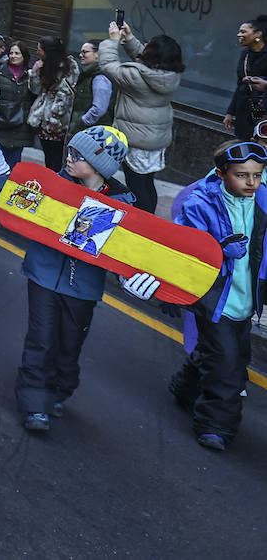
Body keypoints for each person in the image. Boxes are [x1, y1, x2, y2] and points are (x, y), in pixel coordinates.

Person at [14, 126, 150, 433]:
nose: (70, 157)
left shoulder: (123, 202)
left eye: (80, 155)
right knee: (41, 338)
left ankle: (59, 388)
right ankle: (35, 402)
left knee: (69, 343)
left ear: (100, 164)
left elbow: (123, 251)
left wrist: (130, 276)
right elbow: (21, 201)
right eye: (71, 151)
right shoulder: (55, 184)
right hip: (43, 275)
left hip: (84, 287)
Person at [168, 139, 267, 451]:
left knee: (230, 354)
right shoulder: (199, 203)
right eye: (242, 175)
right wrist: (219, 251)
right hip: (214, 298)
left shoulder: (262, 201)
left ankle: (185, 390)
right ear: (221, 173)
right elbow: (186, 248)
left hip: (245, 300)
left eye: (257, 175)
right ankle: (215, 426)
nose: (251, 182)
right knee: (228, 368)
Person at [100, 23, 183, 214]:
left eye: (149, 44)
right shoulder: (169, 74)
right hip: (155, 139)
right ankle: (149, 219)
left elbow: (108, 65)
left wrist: (112, 41)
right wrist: (129, 38)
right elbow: (146, 65)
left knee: (136, 187)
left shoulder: (136, 77)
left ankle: (141, 225)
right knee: (147, 183)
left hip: (136, 140)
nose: (144, 44)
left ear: (152, 54)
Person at [0, 40, 35, 184]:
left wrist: (26, 114)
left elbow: (35, 97)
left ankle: (7, 192)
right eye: (11, 53)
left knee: (13, 163)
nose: (13, 56)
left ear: (24, 55)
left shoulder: (31, 75)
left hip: (18, 127)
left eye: (17, 53)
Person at [29, 36, 78, 171]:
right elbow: (36, 90)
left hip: (57, 123)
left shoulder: (68, 67)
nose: (38, 52)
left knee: (56, 160)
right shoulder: (44, 65)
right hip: (43, 121)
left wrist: (53, 118)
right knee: (48, 159)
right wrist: (34, 72)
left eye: (40, 50)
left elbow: (66, 97)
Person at [224, 16, 267, 140]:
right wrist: (230, 112)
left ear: (258, 34)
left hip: (262, 109)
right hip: (244, 110)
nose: (239, 35)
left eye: (243, 32)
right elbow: (240, 85)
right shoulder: (245, 54)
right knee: (243, 144)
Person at [68, 40, 113, 141]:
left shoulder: (100, 77)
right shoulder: (88, 74)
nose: (80, 55)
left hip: (90, 134)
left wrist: (83, 121)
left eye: (85, 52)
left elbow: (99, 108)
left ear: (97, 54)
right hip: (82, 131)